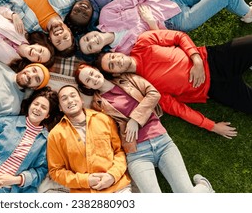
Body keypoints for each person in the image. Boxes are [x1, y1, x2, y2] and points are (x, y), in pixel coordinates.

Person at [75, 63, 215, 193]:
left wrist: (135, 120)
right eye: (88, 80)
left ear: (97, 69)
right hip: (136, 154)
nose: (93, 78)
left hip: (162, 142)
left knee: (186, 194)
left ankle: (203, 187)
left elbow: (153, 94)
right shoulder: (97, 106)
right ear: (87, 87)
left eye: (92, 73)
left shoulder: (127, 79)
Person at [95, 29, 252, 138]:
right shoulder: (147, 88)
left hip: (212, 59)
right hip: (215, 88)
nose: (116, 60)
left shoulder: (143, 42)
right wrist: (212, 126)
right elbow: (180, 110)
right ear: (116, 73)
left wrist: (196, 60)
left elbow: (179, 37)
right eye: (112, 65)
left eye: (112, 57)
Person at [79, 0, 252, 55]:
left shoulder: (106, 16)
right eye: (89, 47)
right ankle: (248, 13)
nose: (91, 41)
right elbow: (157, 44)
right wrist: (152, 24)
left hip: (172, 0)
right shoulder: (123, 51)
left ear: (89, 32)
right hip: (177, 22)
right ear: (95, 52)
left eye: (86, 39)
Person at [0, 86, 60, 193]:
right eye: (36, 104)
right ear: (30, 105)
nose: (38, 108)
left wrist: (15, 180)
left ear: (47, 115)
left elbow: (41, 170)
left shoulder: (46, 141)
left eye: (43, 107)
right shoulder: (5, 122)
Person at [47, 85, 131, 193]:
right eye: (64, 98)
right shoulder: (55, 134)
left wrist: (112, 176)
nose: (70, 100)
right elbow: (56, 171)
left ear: (81, 100)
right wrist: (85, 180)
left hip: (117, 187)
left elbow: (119, 152)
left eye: (73, 95)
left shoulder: (104, 119)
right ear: (60, 107)